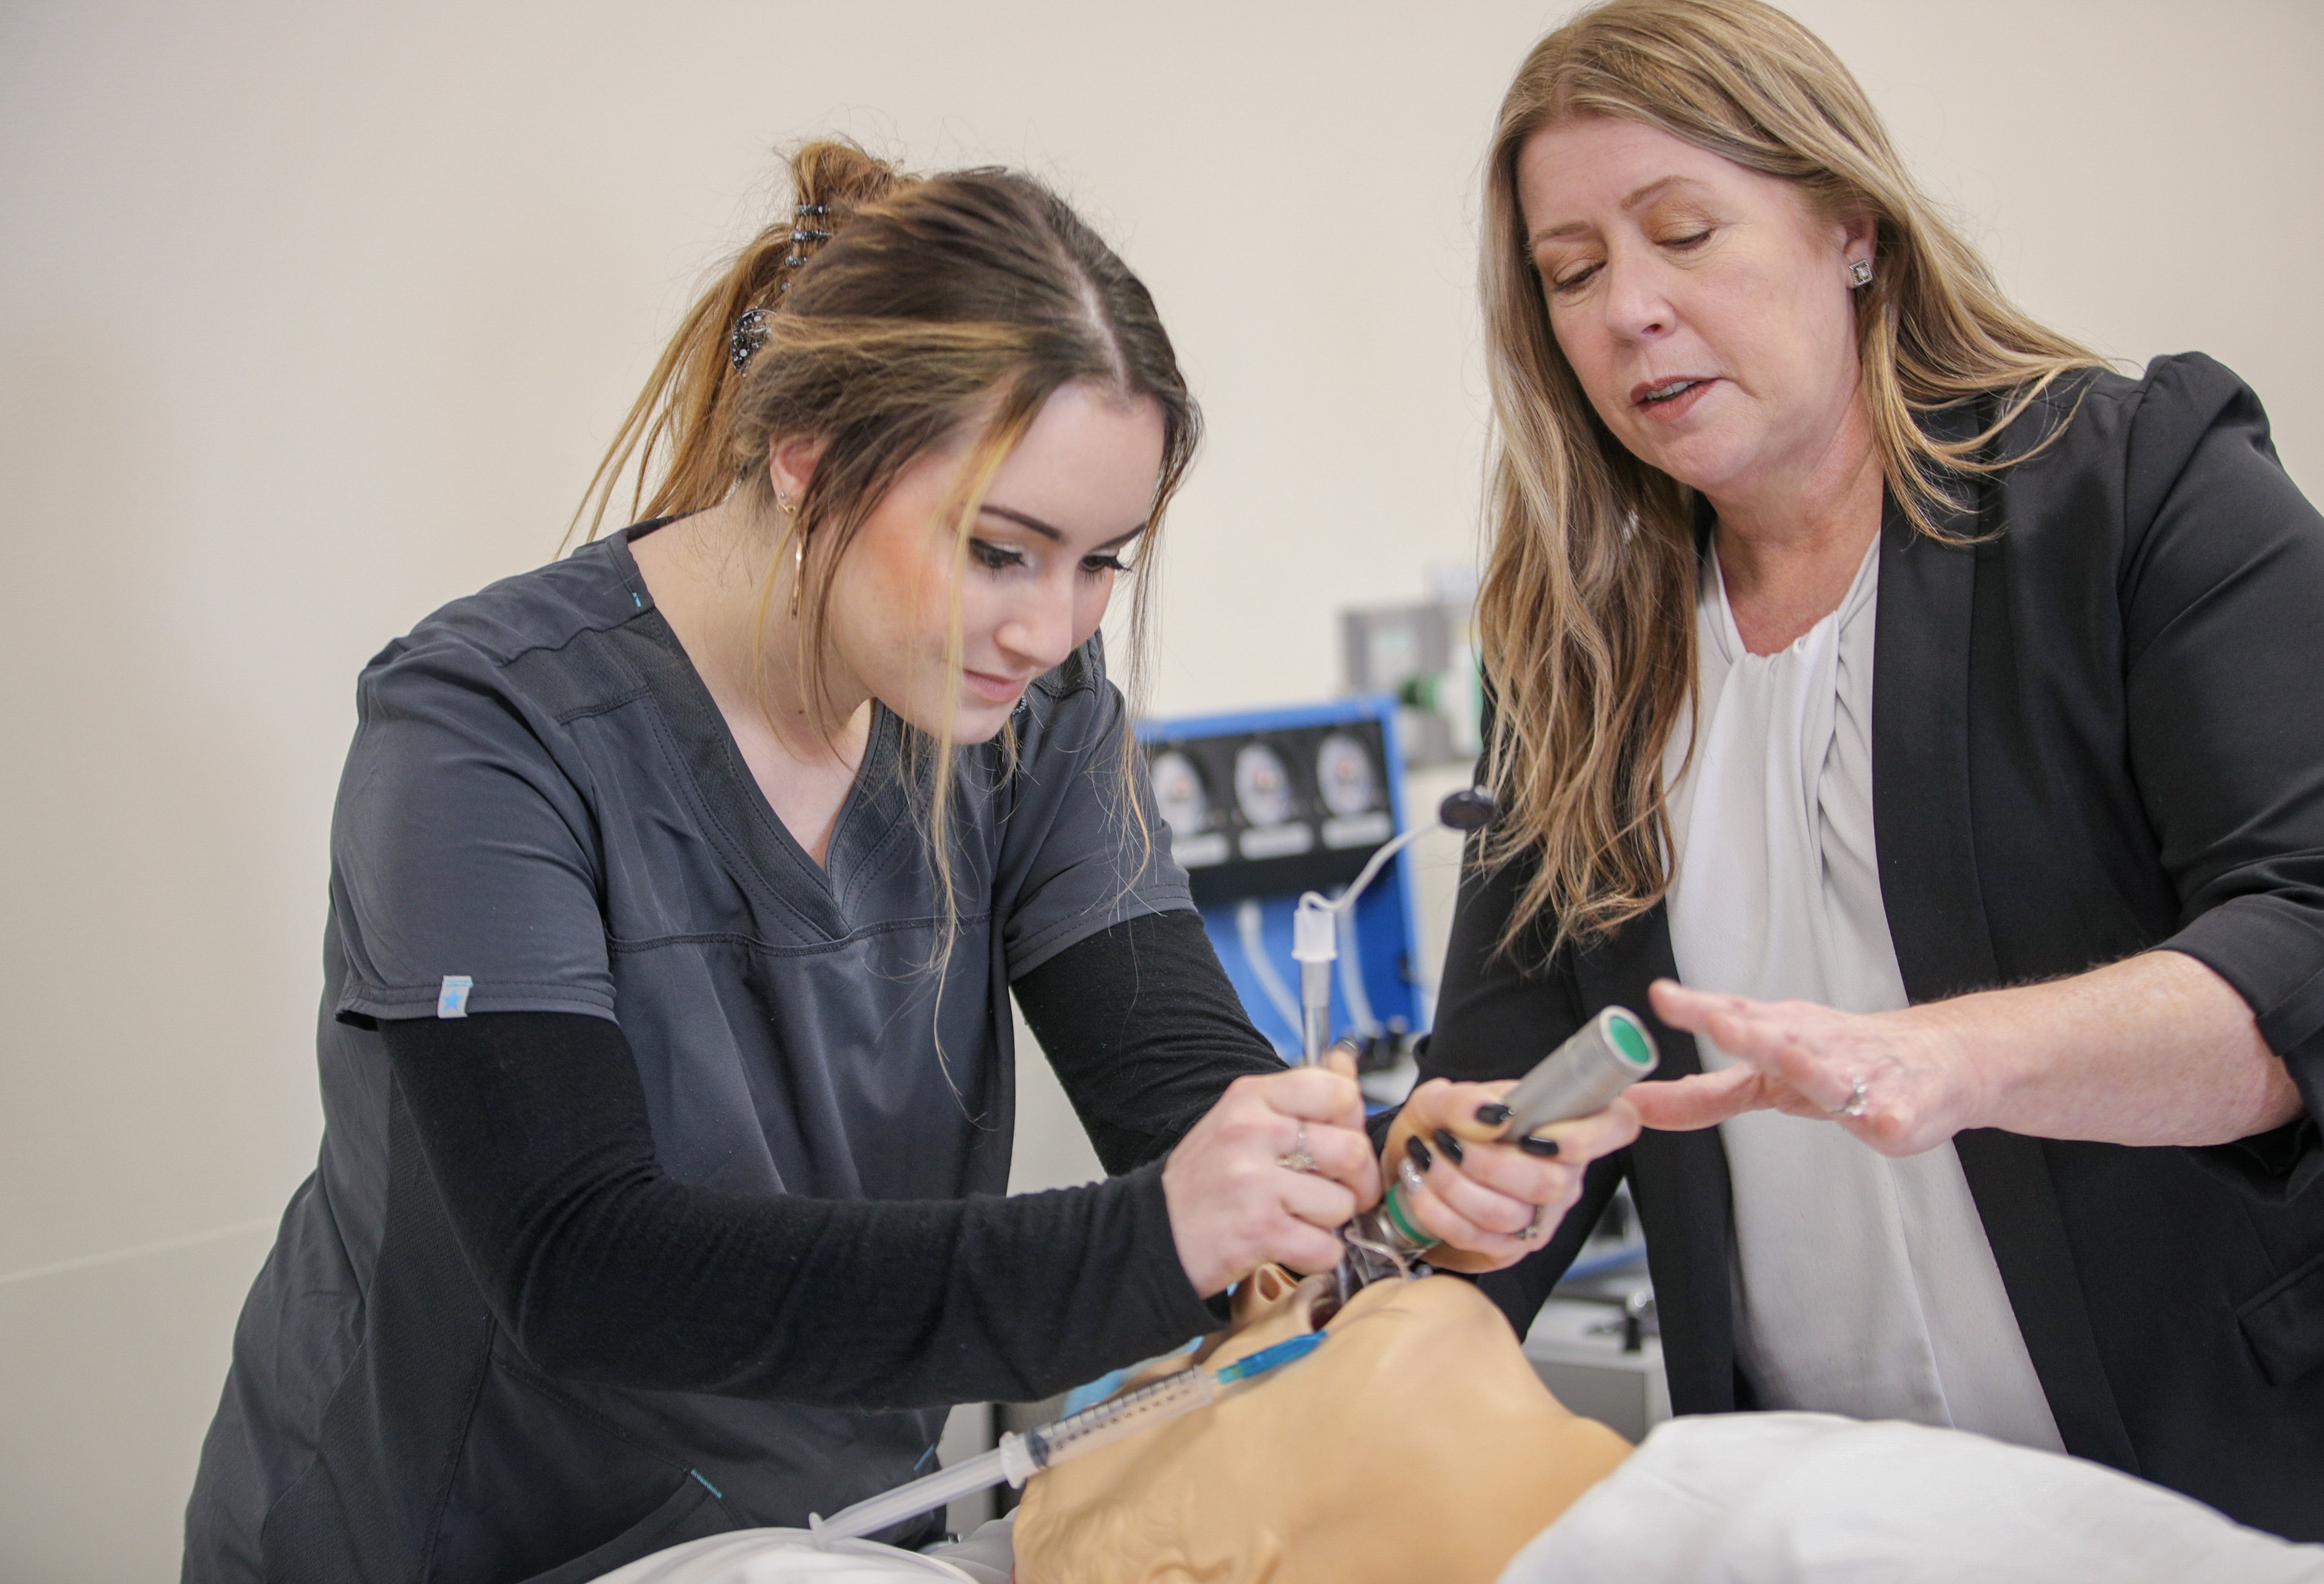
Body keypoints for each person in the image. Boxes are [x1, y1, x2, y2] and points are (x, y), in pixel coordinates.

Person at [181, 141, 1594, 1584]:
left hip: (828, 1536)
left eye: (1105, 558)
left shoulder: (1028, 710)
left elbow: (1172, 1089)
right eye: (1001, 550)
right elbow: (580, 1263)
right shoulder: (485, 729)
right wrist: (1150, 1242)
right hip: (455, 1534)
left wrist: (1360, 1182)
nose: (1053, 626)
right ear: (809, 461)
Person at [1393, 0, 2324, 1561]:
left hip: (2226, 1486)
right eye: (1573, 273)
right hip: (1834, 1516)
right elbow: (1516, 1090)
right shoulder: (1579, 648)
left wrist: (1952, 1059)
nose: (1629, 310)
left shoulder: (2139, 492)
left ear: (1850, 225)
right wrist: (1455, 1188)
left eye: (1686, 233)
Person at [568, 1267, 2324, 1584]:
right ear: (1197, 1569)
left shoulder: (1739, 1481)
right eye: (1142, 1395)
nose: (1279, 1305)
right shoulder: (1779, 1546)